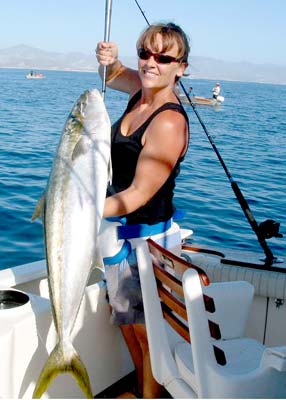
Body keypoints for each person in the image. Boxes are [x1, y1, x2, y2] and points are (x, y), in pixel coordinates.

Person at [96, 22, 190, 398]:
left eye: (163, 57)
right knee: (127, 325)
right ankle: (140, 387)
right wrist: (110, 59)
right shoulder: (140, 91)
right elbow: (113, 75)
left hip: (148, 245)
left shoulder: (168, 120)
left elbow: (136, 194)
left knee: (148, 334)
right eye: (145, 53)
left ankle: (150, 395)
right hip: (119, 236)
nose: (152, 62)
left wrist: (80, 210)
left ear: (180, 67)